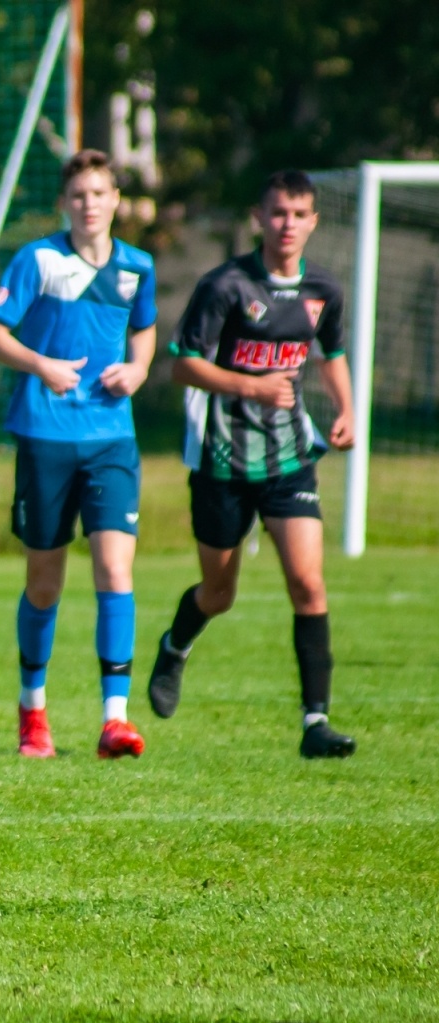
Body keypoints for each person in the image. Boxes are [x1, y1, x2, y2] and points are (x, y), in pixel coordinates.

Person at [146, 170, 356, 758]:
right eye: (278, 213)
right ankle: (176, 645)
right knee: (219, 592)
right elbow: (184, 365)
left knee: (308, 584)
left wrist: (346, 410)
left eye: (299, 214)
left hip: (289, 458)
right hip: (224, 458)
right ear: (259, 218)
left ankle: (316, 723)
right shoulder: (226, 285)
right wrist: (251, 386)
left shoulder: (323, 289)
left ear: (313, 221)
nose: (288, 224)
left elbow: (331, 354)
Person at [0, 149, 158, 759]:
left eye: (99, 193)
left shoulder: (138, 266)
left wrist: (139, 367)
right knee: (45, 584)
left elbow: (145, 329)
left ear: (115, 201)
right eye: (78, 195)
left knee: (114, 571)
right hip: (46, 435)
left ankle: (115, 720)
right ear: (65, 203)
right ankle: (33, 711)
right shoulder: (39, 259)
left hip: (112, 439)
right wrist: (42, 364)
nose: (89, 205)